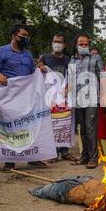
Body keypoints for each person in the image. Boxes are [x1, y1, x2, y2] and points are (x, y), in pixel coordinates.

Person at [0, 23, 48, 172]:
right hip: (7, 96)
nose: (25, 39)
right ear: (14, 36)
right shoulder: (1, 52)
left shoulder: (27, 54)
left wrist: (39, 70)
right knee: (11, 127)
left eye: (27, 37)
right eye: (23, 36)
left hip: (25, 96)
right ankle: (10, 160)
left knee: (28, 125)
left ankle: (32, 158)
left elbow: (31, 74)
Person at [38, 33, 75, 162]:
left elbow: (71, 77)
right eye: (55, 41)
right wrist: (40, 67)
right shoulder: (45, 57)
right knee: (51, 124)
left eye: (60, 42)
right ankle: (52, 152)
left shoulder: (68, 60)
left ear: (64, 45)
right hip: (49, 97)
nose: (57, 44)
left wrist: (66, 90)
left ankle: (65, 151)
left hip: (63, 97)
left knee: (64, 123)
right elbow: (37, 71)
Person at [69, 34, 103, 169]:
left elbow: (103, 77)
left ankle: (94, 157)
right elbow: (71, 80)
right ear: (76, 45)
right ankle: (84, 156)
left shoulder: (96, 58)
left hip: (92, 99)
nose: (83, 47)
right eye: (81, 44)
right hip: (78, 100)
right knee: (82, 129)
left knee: (90, 128)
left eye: (86, 44)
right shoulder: (72, 61)